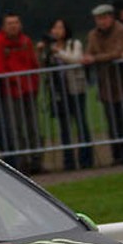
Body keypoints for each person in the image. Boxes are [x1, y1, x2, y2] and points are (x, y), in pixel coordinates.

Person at [0, 13, 43, 171]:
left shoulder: (26, 41)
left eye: (16, 22)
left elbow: (33, 64)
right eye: (10, 23)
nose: (13, 26)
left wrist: (34, 85)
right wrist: (15, 81)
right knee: (15, 127)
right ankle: (22, 162)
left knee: (33, 126)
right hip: (11, 92)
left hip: (29, 90)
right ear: (4, 26)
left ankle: (37, 159)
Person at [83, 3, 123, 164]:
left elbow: (117, 52)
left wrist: (96, 58)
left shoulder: (121, 30)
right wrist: (93, 58)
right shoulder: (93, 34)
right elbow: (89, 52)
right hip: (105, 84)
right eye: (98, 18)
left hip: (122, 82)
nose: (102, 21)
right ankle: (117, 154)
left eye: (105, 18)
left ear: (111, 17)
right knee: (112, 121)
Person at [39, 17, 93, 169]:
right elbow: (42, 66)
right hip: (58, 92)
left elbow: (76, 59)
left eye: (60, 27)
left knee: (81, 122)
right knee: (64, 127)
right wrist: (42, 51)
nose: (57, 31)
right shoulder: (49, 48)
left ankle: (86, 158)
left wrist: (59, 52)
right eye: (54, 28)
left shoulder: (74, 44)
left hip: (75, 88)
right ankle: (68, 160)